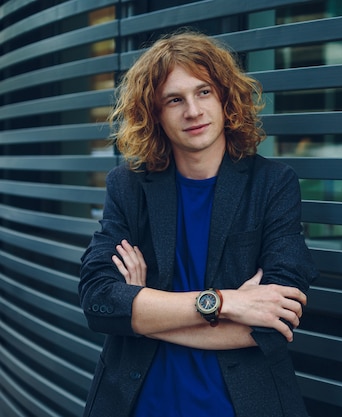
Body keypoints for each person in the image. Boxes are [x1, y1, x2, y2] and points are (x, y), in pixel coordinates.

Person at [78, 30, 318, 417]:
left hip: (241, 404)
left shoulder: (273, 184)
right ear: (154, 114)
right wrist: (226, 302)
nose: (192, 110)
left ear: (225, 97)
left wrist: (140, 315)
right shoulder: (128, 186)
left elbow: (274, 322)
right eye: (174, 99)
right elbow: (99, 301)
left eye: (203, 91)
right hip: (139, 403)